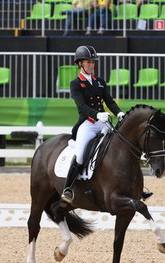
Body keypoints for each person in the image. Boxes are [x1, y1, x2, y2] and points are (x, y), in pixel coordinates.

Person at [61, 45, 125, 204]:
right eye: (88, 62)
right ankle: (68, 188)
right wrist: (97, 114)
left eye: (93, 62)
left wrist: (119, 113)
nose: (91, 65)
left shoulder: (100, 82)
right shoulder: (75, 83)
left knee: (118, 147)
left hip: (103, 123)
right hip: (88, 124)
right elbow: (82, 106)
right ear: (80, 64)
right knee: (81, 155)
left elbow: (109, 101)